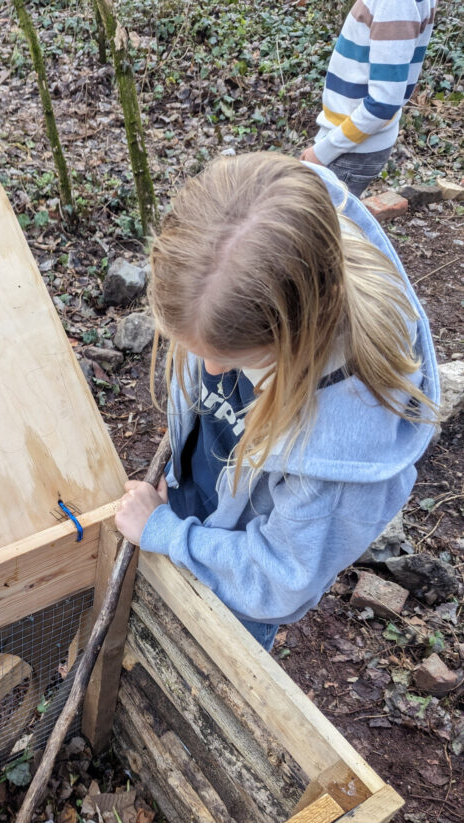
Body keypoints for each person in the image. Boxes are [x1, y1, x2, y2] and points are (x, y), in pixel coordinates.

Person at [114, 153, 439, 651]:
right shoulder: (267, 229)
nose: (211, 373)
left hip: (239, 592)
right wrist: (177, 493)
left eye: (236, 359)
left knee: (210, 663)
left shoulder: (341, 462)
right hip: (201, 505)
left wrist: (167, 533)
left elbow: (277, 582)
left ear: (301, 328)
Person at [301, 0, 436, 196]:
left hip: (351, 149)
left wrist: (322, 153)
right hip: (350, 140)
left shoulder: (395, 5)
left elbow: (383, 104)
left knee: (313, 216)